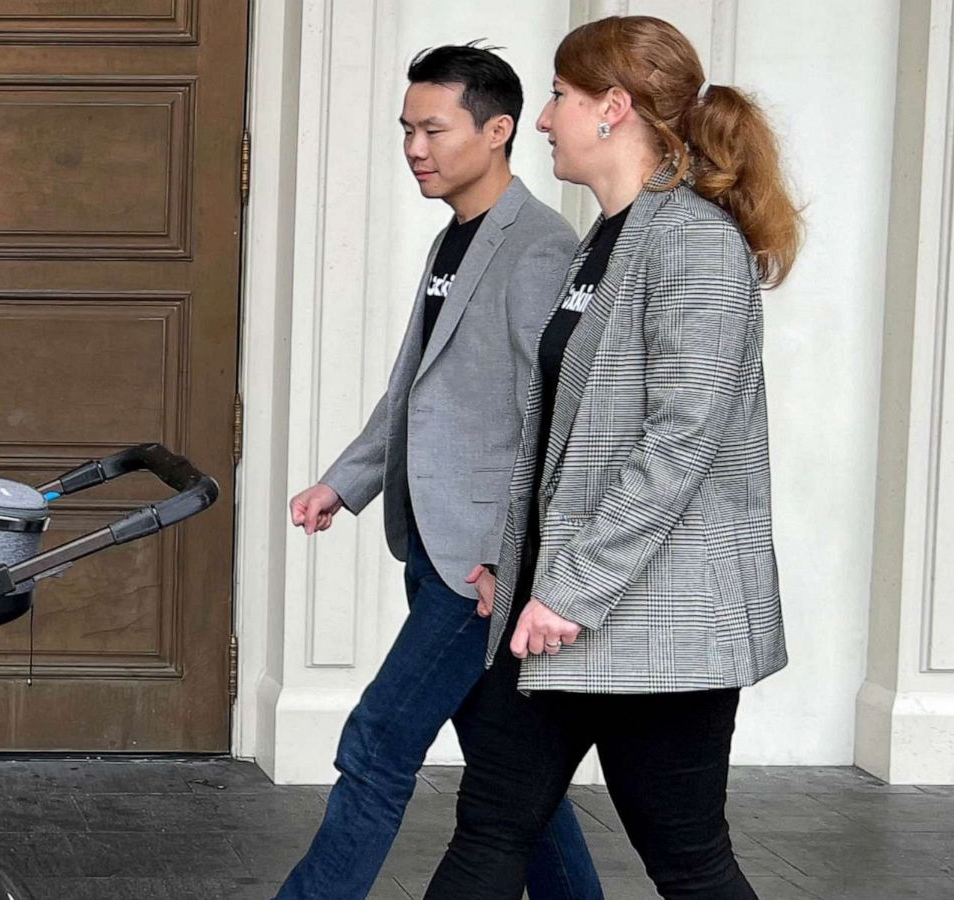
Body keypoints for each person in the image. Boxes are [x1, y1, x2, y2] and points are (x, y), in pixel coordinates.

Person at [424, 15, 802, 900]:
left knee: (688, 860)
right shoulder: (607, 238)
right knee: (488, 831)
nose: (545, 119)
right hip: (558, 610)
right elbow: (564, 430)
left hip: (656, 624)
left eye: (559, 96)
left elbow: (680, 443)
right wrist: (514, 568)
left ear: (613, 109)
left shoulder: (695, 244)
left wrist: (569, 589)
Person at [277, 42, 601, 900]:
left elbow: (554, 424)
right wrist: (345, 483)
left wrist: (513, 554)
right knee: (509, 771)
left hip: (477, 568)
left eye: (434, 128)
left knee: (378, 743)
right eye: (406, 129)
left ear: (498, 131)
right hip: (433, 547)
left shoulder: (538, 247)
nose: (415, 147)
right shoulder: (457, 238)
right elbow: (418, 392)